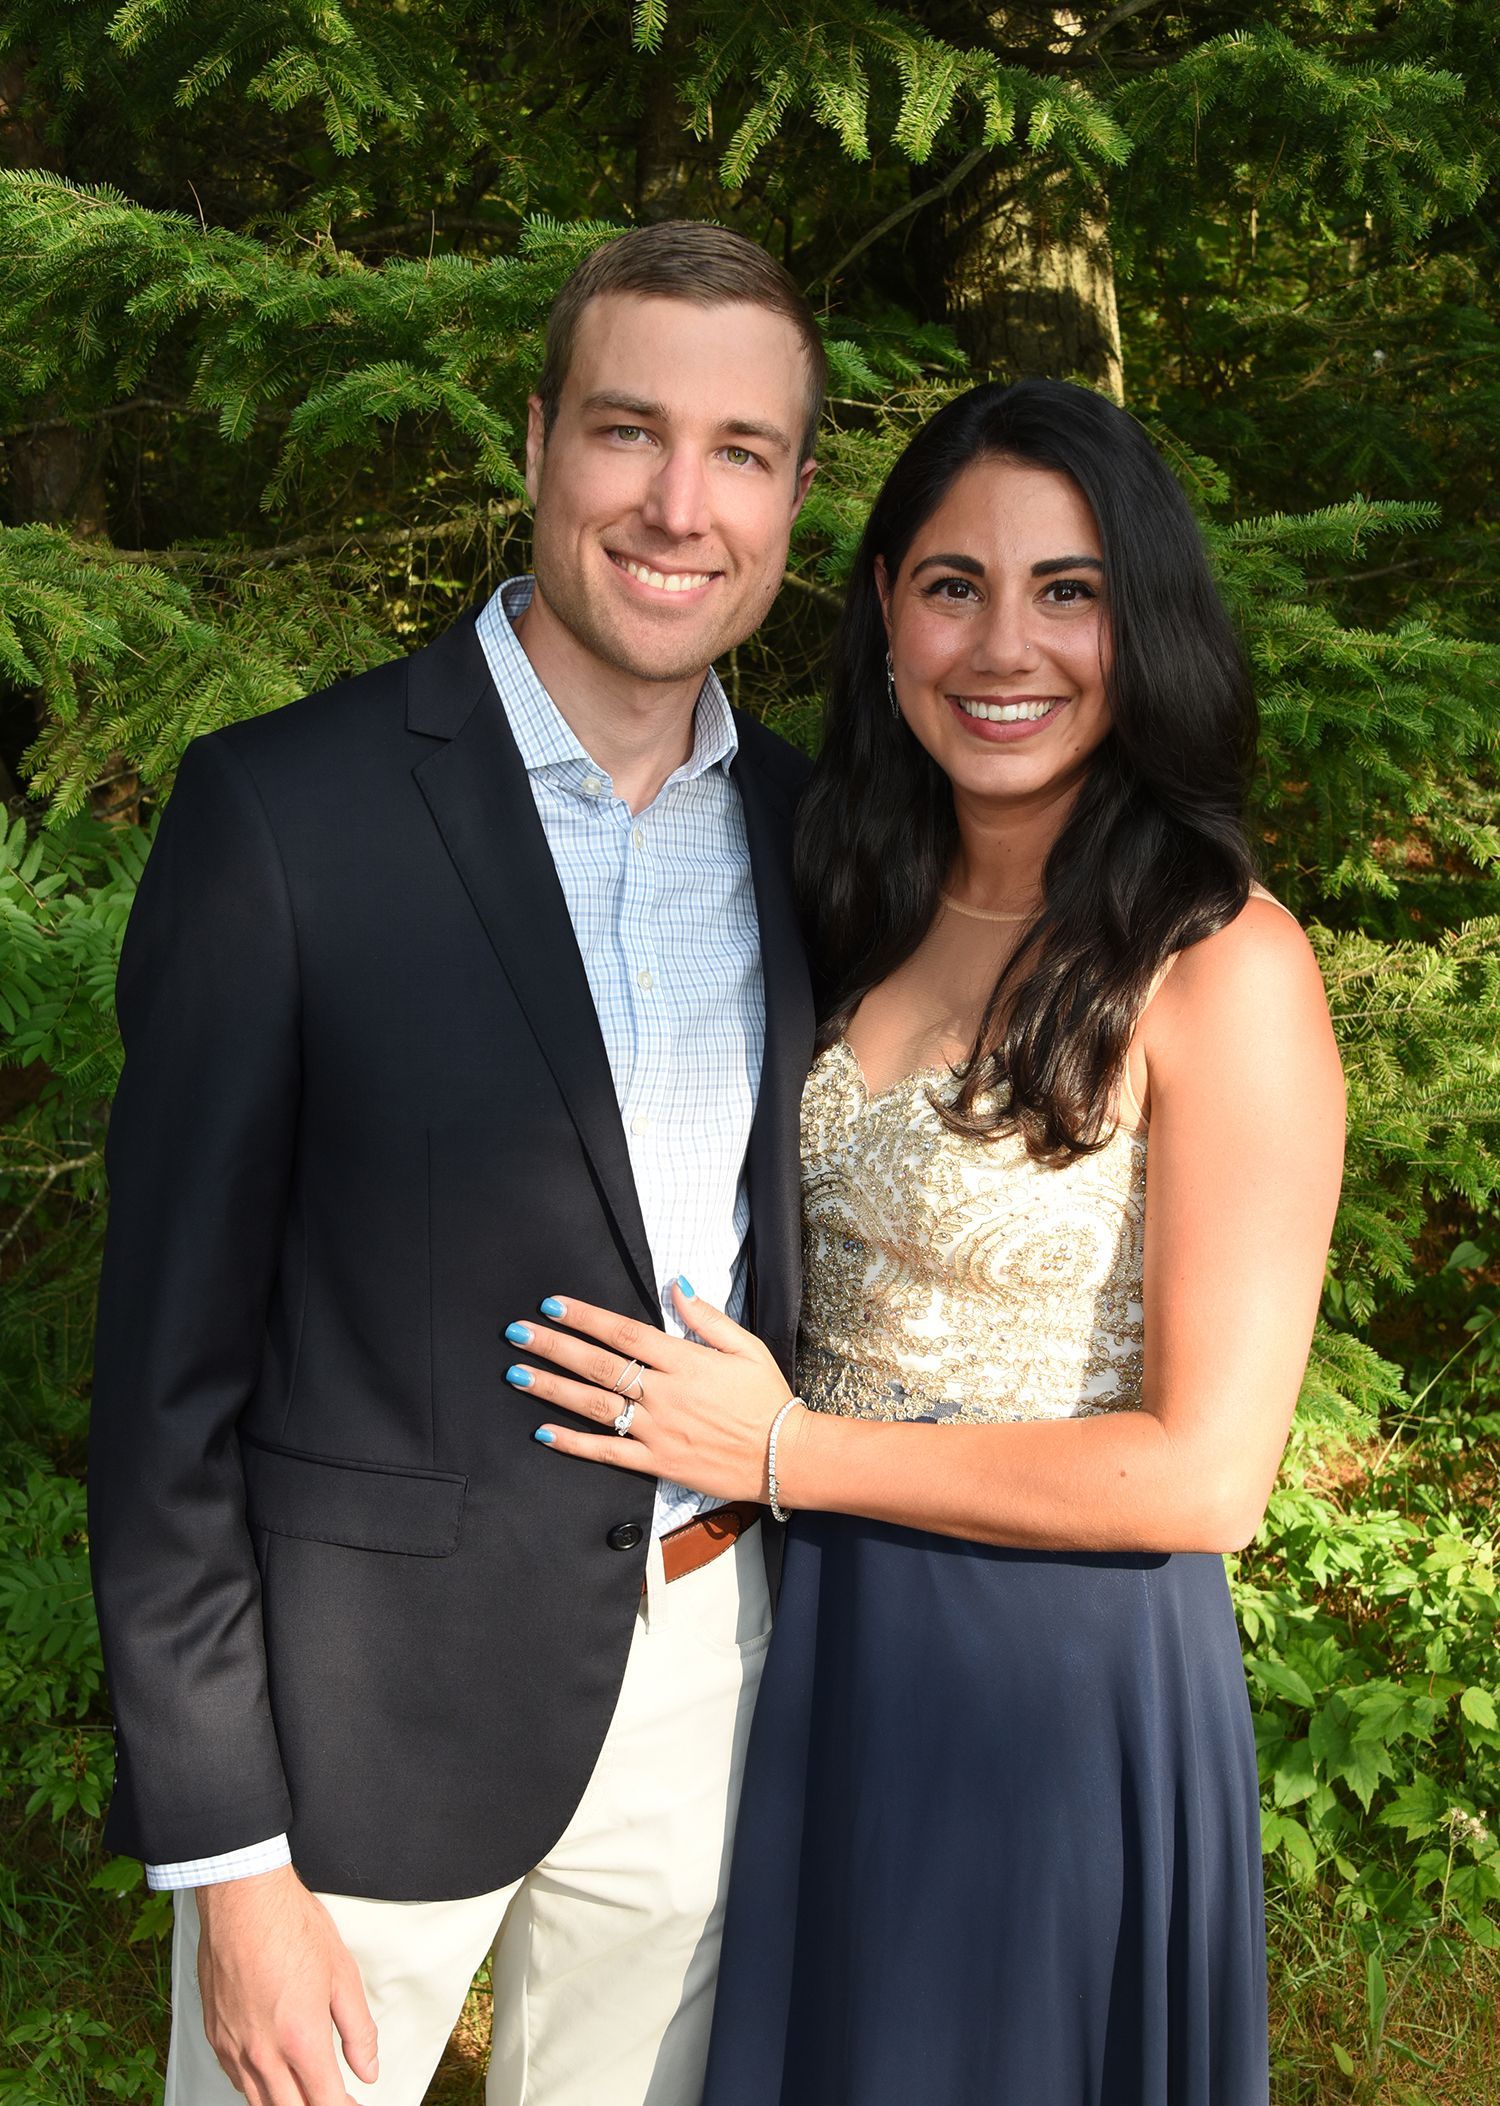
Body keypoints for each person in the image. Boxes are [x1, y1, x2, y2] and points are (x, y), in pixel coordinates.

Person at [503, 377, 1347, 2105]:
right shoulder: (842, 888)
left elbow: (1209, 1477)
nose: (1002, 644)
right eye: (955, 583)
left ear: (1145, 621)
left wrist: (790, 1448)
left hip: (1050, 1690)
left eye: (1070, 589)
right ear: (885, 607)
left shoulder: (1222, 960)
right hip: (808, 1640)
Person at [87, 220, 823, 2106]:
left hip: (712, 1686)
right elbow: (164, 1391)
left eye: (742, 451)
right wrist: (229, 1860)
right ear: (534, 442)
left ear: (795, 494)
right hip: (358, 1735)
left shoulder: (819, 833)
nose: (680, 503)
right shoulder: (284, 815)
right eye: (627, 431)